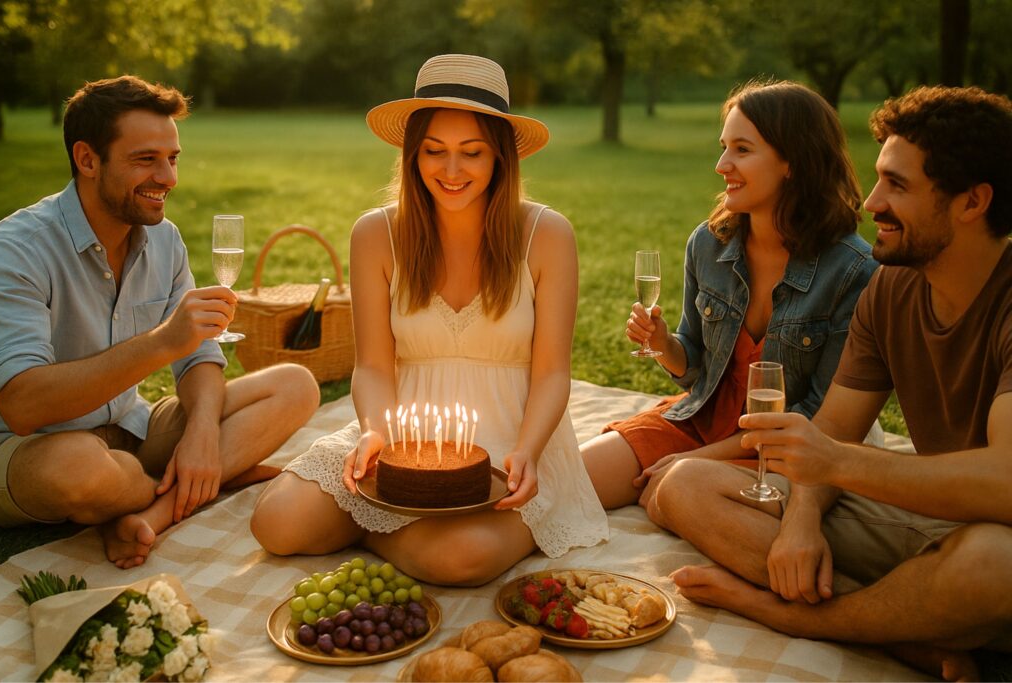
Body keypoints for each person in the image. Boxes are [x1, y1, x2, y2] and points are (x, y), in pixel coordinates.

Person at [660, 86, 1012, 681]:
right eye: (878, 179)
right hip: (925, 519)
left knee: (995, 563)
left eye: (898, 186)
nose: (871, 201)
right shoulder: (893, 287)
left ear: (972, 202)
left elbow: (1003, 482)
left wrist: (833, 465)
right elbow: (835, 431)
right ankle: (908, 628)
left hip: (995, 535)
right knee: (685, 483)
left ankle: (797, 615)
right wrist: (800, 521)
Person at [250, 54, 609, 585]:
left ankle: (371, 528)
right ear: (412, 154)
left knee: (460, 559)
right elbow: (373, 366)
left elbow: (553, 371)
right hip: (404, 436)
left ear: (500, 158)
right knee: (275, 523)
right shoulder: (376, 233)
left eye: (472, 152)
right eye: (433, 151)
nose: (451, 170)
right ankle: (389, 523)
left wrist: (529, 451)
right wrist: (375, 432)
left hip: (511, 438)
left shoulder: (547, 235)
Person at [0, 76, 320, 569]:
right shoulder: (16, 249)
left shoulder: (163, 240)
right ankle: (204, 483)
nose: (168, 177)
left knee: (295, 385)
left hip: (131, 428)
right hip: (30, 450)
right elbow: (22, 405)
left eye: (172, 158)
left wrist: (204, 433)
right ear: (87, 159)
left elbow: (200, 355)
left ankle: (158, 507)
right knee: (77, 469)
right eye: (146, 159)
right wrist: (163, 342)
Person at [579, 80, 878, 515]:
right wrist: (664, 344)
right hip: (701, 420)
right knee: (568, 481)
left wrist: (693, 463)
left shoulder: (853, 272)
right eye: (724, 147)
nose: (721, 165)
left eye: (742, 149)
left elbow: (819, 419)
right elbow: (695, 368)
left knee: (678, 497)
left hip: (784, 454)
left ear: (792, 160)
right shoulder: (709, 244)